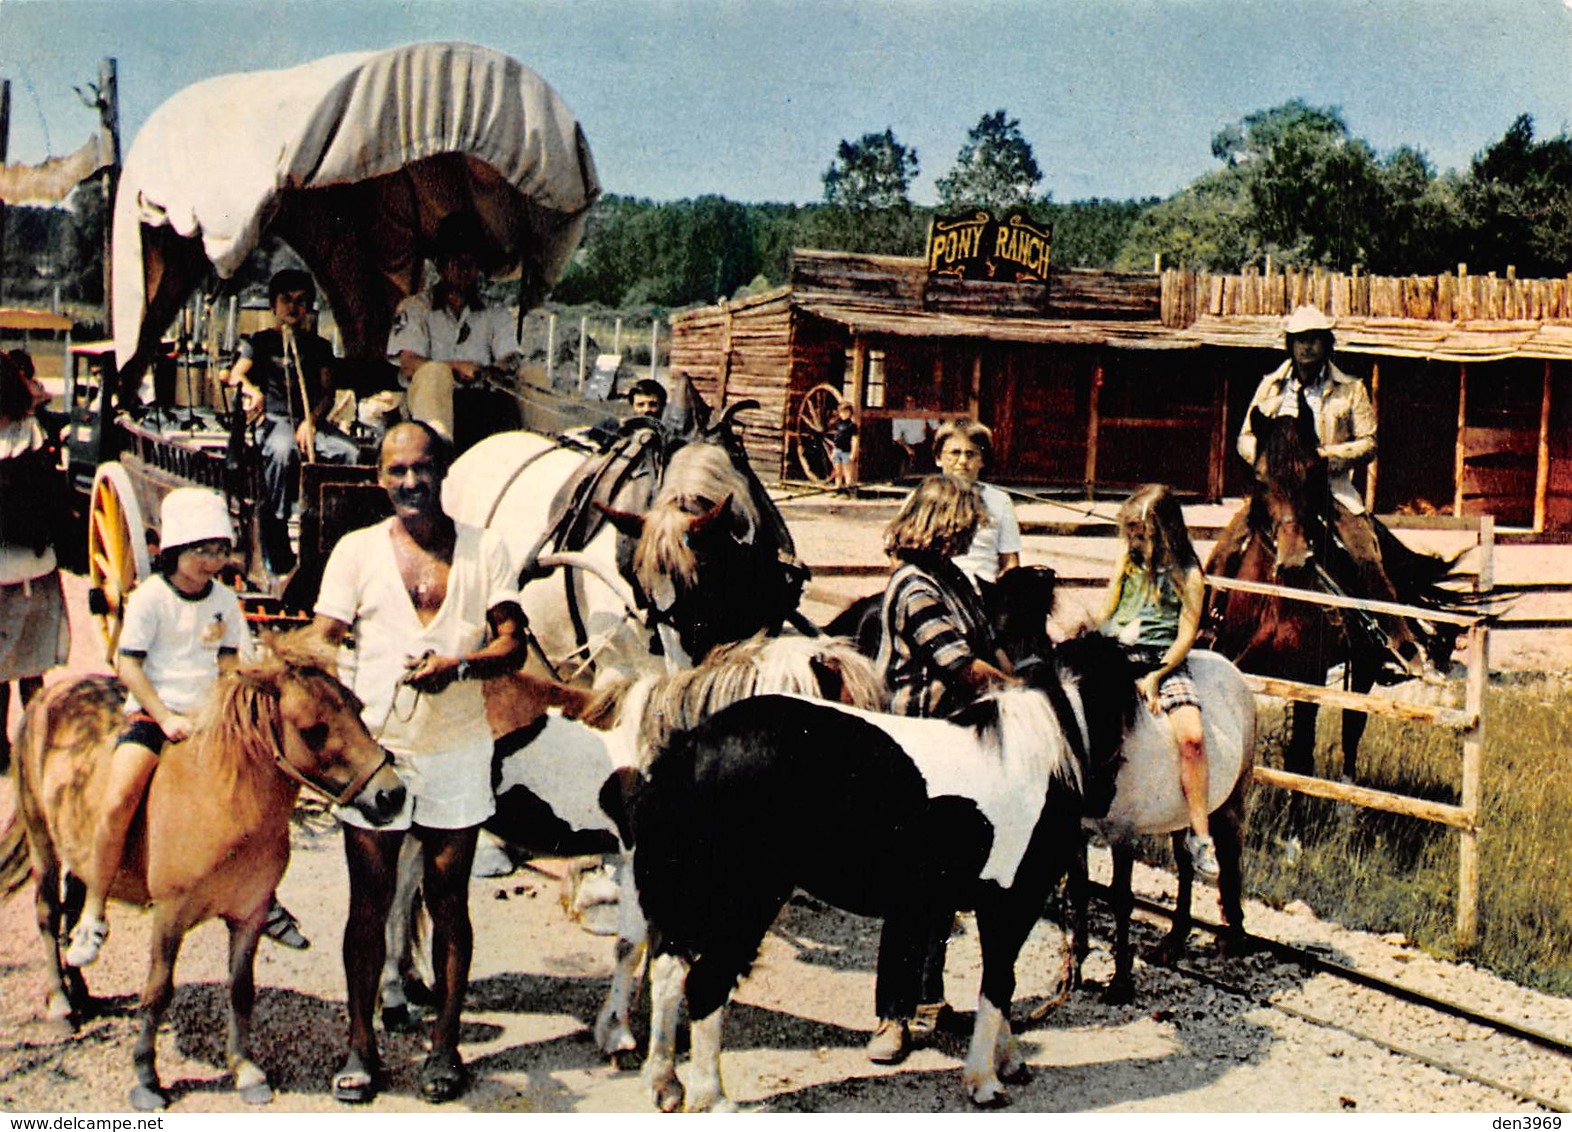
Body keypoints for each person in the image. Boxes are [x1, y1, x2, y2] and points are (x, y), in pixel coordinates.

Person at [310, 421, 527, 1105]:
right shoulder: (355, 553)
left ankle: (445, 1045)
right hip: (378, 759)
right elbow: (322, 642)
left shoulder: (485, 548)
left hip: (457, 750)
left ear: (445, 472)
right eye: (397, 471)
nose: (411, 482)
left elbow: (513, 644)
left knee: (450, 902)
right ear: (379, 478)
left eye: (424, 468)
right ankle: (360, 1045)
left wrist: (458, 664)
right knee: (367, 906)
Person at [63, 488, 295, 966]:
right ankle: (93, 907)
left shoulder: (225, 602)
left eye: (219, 549)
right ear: (175, 552)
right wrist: (165, 717)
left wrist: (225, 710)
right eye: (201, 551)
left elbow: (232, 661)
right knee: (118, 799)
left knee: (265, 795)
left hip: (213, 722)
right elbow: (127, 665)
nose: (212, 561)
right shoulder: (151, 599)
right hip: (154, 714)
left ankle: (262, 896)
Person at [868, 475, 1012, 1065]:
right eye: (963, 524)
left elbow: (989, 644)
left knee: (947, 888)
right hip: (918, 746)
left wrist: (1019, 672)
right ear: (941, 524)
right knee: (911, 889)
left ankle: (930, 999)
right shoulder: (911, 584)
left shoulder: (955, 579)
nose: (971, 533)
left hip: (961, 746)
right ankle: (891, 1017)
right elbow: (957, 662)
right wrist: (1025, 696)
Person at [1227, 304, 1435, 679]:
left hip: (1332, 490)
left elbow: (1368, 443)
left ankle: (1395, 639)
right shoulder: (1270, 386)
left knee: (1363, 551)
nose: (1307, 348)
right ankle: (1210, 622)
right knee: (1229, 542)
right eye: (1300, 341)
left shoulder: (1350, 389)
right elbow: (1245, 435)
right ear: (1289, 344)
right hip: (1281, 491)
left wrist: (1324, 457)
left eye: (1314, 340)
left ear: (1326, 344)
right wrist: (1266, 461)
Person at [1095, 483, 1219, 880]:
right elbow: (1109, 610)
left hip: (1160, 660)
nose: (1135, 537)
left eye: (1143, 530)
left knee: (1191, 737)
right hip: (1115, 655)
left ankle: (1200, 834)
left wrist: (1156, 677)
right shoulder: (1126, 563)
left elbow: (1186, 633)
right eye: (1130, 530)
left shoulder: (1188, 573)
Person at [227, 269, 359, 575]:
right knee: (284, 450)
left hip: (309, 424)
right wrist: (253, 390)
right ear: (274, 305)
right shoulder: (260, 342)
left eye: (301, 301)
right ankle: (279, 526)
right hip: (274, 422)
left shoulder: (320, 347)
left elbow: (327, 394)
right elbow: (236, 375)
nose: (293, 307)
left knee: (348, 452)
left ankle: (334, 528)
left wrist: (311, 422)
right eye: (286, 300)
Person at [389, 213, 524, 446]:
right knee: (434, 374)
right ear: (440, 263)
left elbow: (509, 357)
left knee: (532, 376)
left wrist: (496, 369)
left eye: (471, 260)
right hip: (427, 406)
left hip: (483, 405)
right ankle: (438, 451)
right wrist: (454, 368)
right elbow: (409, 364)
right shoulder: (415, 308)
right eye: (456, 259)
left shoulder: (495, 312)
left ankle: (553, 450)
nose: (464, 267)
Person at [0, 351, 70, 774]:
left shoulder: (28, 435)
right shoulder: (34, 435)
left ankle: (14, 744)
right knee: (30, 666)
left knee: (13, 668)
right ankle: (31, 743)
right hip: (35, 564)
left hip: (15, 570)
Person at [932, 418, 1021, 587]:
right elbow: (899, 558)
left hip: (982, 595)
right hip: (934, 595)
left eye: (970, 454)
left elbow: (1010, 562)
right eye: (955, 453)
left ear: (982, 460)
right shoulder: (922, 497)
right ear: (939, 458)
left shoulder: (999, 501)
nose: (963, 461)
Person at [890, 395, 934, 478]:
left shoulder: (924, 412)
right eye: (907, 401)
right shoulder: (898, 416)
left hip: (921, 445)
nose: (910, 404)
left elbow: (935, 427)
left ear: (916, 402)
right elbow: (897, 437)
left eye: (912, 401)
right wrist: (908, 449)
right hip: (904, 446)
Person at [830, 400, 858, 496]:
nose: (843, 414)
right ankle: (837, 489)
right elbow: (836, 438)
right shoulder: (838, 424)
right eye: (841, 412)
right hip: (838, 450)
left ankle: (848, 492)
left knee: (847, 472)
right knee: (838, 471)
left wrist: (853, 452)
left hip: (846, 451)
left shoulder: (852, 425)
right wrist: (833, 450)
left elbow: (854, 439)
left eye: (845, 412)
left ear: (850, 413)